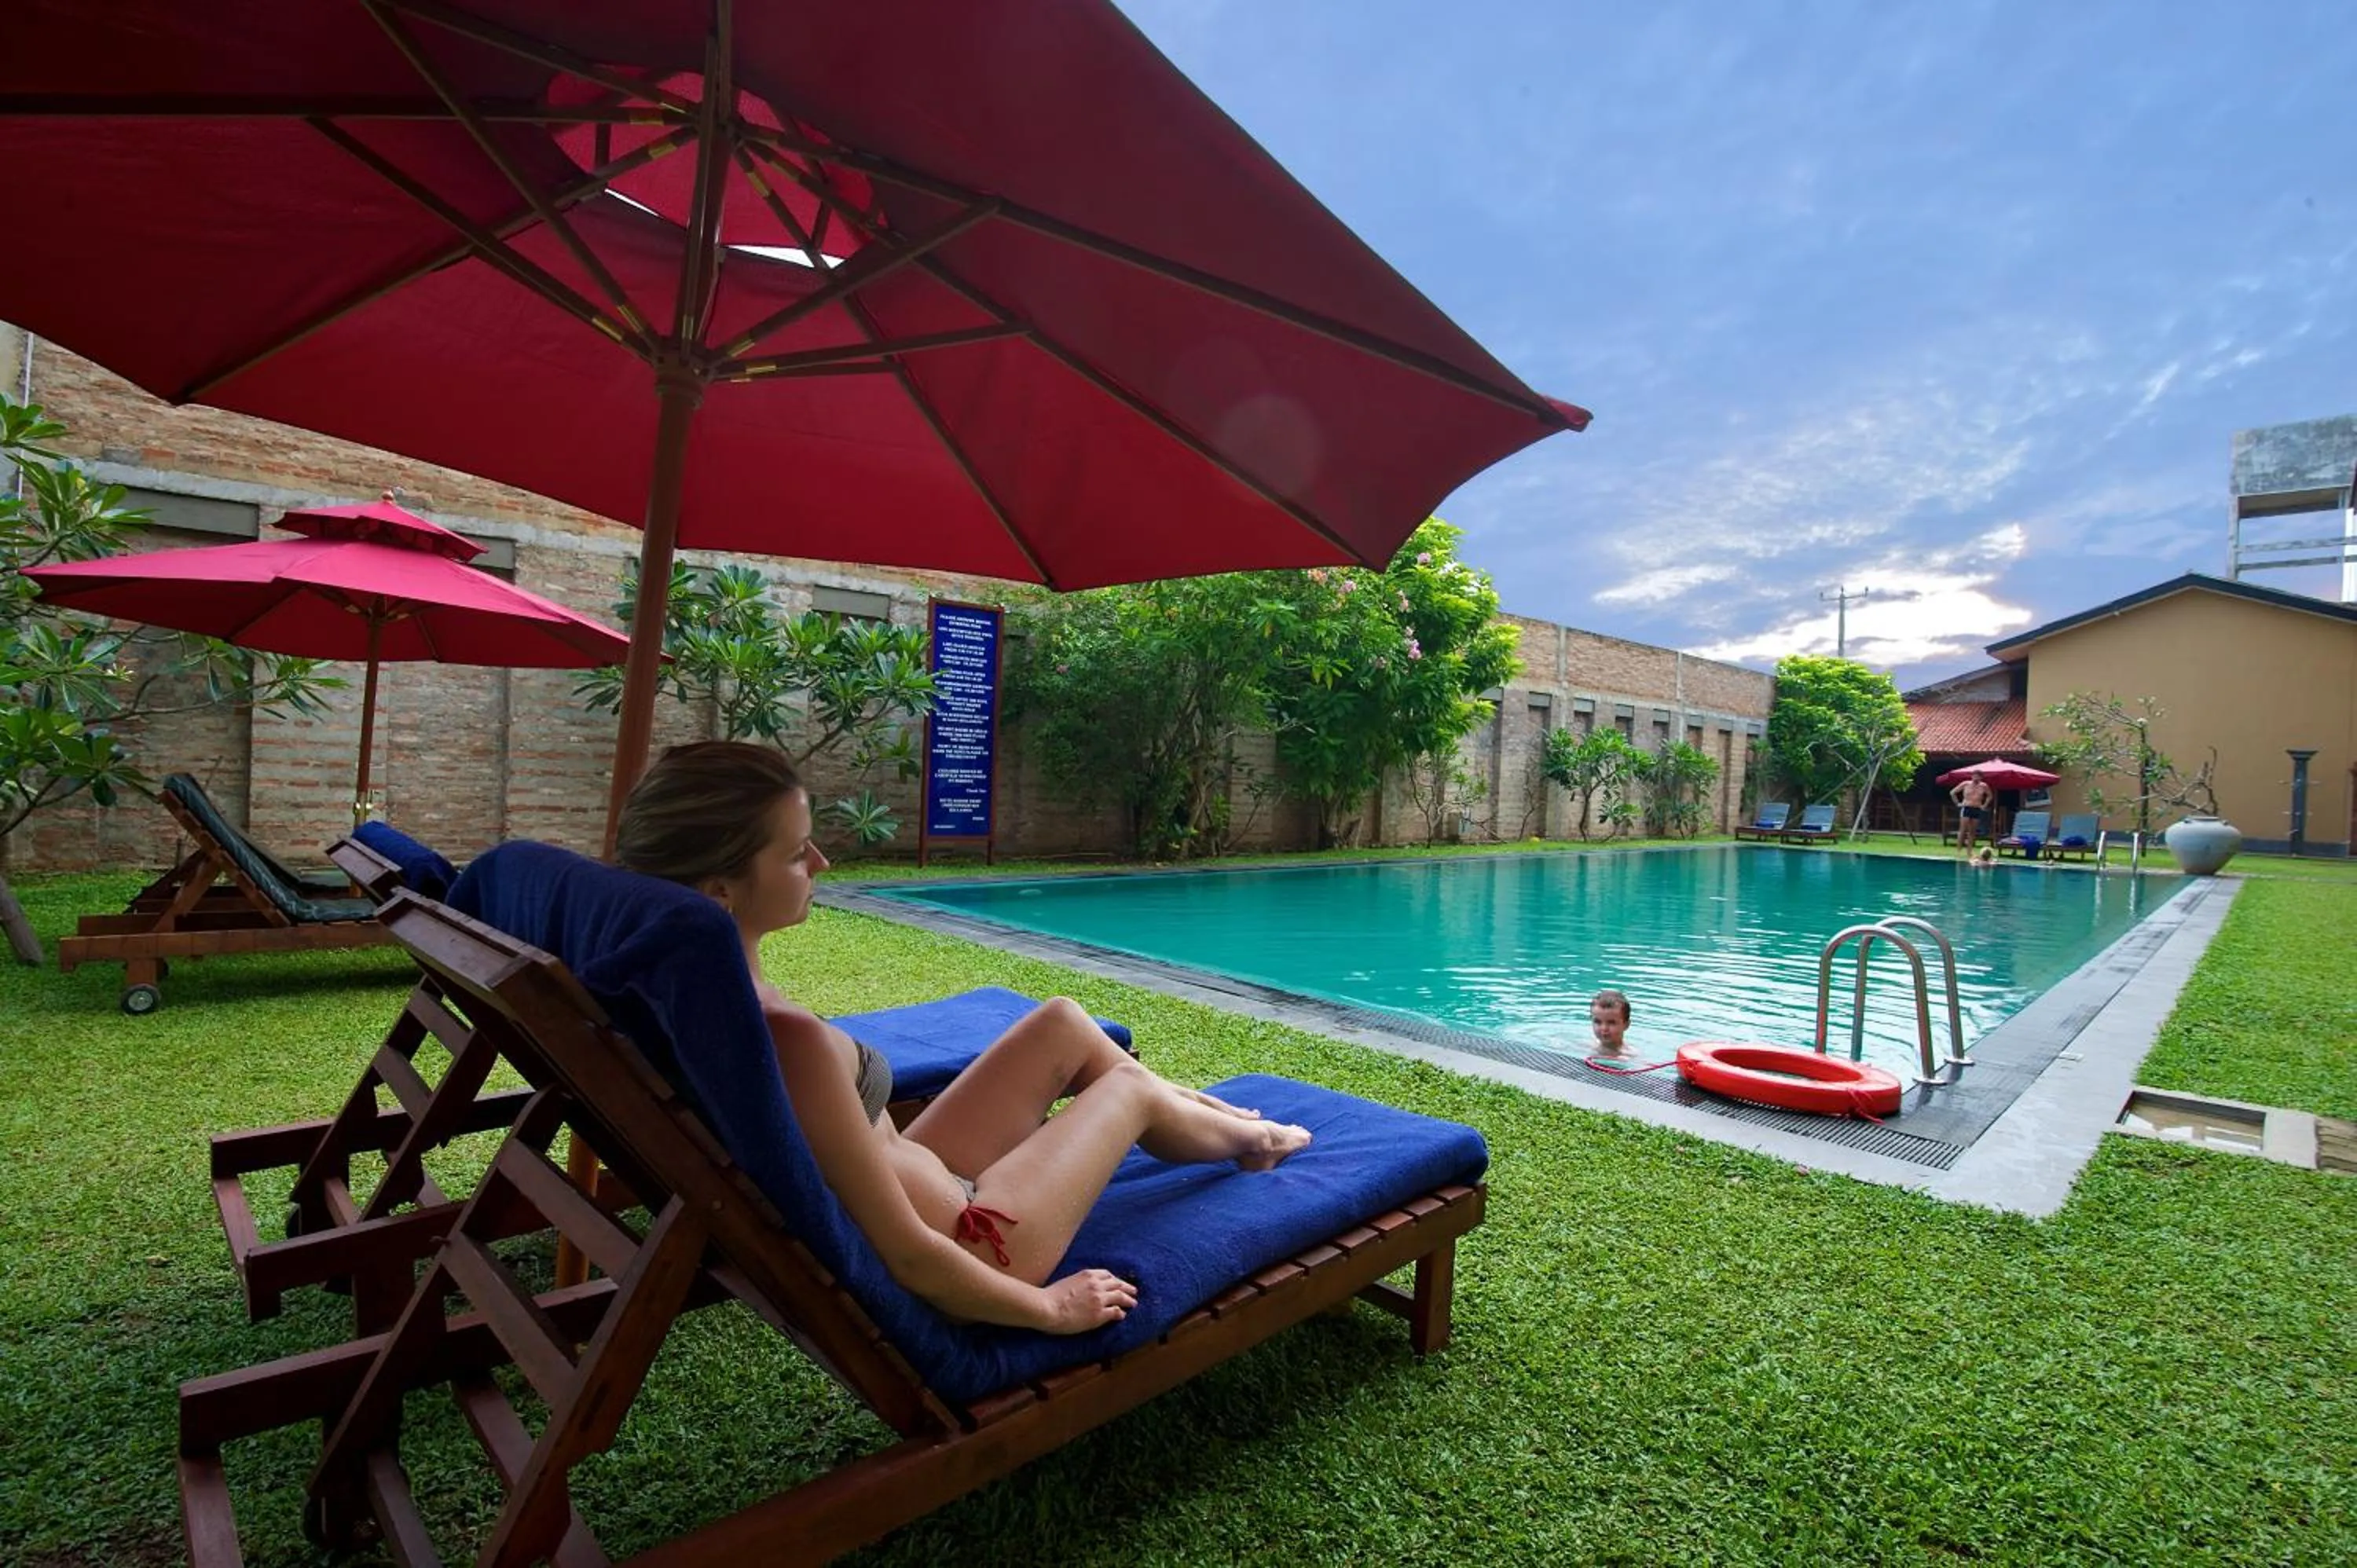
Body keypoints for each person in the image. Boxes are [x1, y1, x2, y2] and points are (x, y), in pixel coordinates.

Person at [614, 741, 1311, 1338]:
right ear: (718, 892)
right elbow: (911, 1257)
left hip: (927, 1170)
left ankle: (1210, 1117)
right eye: (797, 854)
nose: (823, 862)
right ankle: (1253, 1139)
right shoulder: (783, 1040)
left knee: (1064, 1022)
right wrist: (1047, 1308)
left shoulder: (685, 988)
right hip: (981, 1241)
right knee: (1125, 1085)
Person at [1951, 773, 1994, 854]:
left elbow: (1990, 796)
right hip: (1967, 807)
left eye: (1978, 776)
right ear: (1972, 776)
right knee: (1963, 830)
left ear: (1981, 778)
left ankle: (1969, 851)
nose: (1976, 778)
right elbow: (1953, 792)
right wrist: (1958, 803)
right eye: (1974, 776)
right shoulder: (1966, 784)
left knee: (1972, 831)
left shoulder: (1984, 786)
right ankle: (1959, 850)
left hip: (1977, 808)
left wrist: (1984, 805)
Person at [1589, 988, 1633, 1058]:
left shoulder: (1630, 1056)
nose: (1604, 1028)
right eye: (1598, 1022)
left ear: (1626, 1025)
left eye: (1611, 1023)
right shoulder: (1586, 1047)